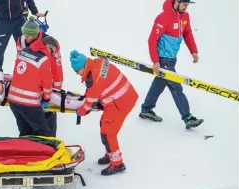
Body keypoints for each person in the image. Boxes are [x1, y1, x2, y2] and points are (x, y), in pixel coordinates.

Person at [69, 50, 139, 176]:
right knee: (104, 126)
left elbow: (90, 101)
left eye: (77, 71)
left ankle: (117, 163)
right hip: (124, 95)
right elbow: (95, 89)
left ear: (83, 67)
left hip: (119, 103)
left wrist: (80, 111)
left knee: (108, 133)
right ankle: (110, 153)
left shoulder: (93, 79)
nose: (77, 74)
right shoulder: (97, 63)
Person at [140, 0, 203, 129]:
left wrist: (193, 51)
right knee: (176, 87)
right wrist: (155, 61)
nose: (186, 7)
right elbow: (152, 39)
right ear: (176, 2)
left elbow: (187, 33)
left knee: (159, 84)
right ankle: (187, 117)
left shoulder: (185, 16)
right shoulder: (163, 17)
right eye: (184, 4)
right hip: (163, 60)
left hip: (172, 58)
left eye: (187, 5)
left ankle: (146, 109)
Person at [15, 16, 64, 136]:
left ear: (36, 34)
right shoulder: (21, 41)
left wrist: (55, 90)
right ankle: (28, 144)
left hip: (46, 86)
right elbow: (21, 62)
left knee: (47, 121)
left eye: (28, 36)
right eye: (24, 35)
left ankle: (49, 143)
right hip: (29, 88)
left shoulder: (51, 44)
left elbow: (57, 68)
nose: (25, 38)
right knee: (26, 121)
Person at [0, 70, 85, 110]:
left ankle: (75, 98)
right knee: (46, 94)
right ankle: (77, 104)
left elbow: (3, 78)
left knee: (45, 87)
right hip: (14, 92)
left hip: (16, 85)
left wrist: (4, 76)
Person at [6, 34, 53, 137]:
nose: (52, 54)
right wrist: (46, 99)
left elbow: (19, 73)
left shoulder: (23, 52)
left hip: (13, 100)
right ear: (46, 47)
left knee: (25, 132)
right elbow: (47, 84)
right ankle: (47, 152)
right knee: (45, 134)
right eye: (51, 50)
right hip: (29, 103)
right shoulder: (43, 59)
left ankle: (24, 151)